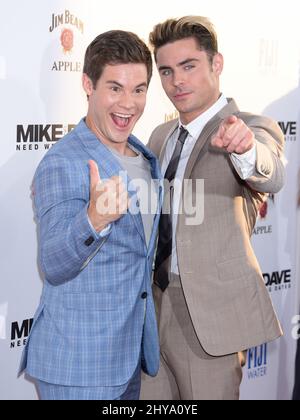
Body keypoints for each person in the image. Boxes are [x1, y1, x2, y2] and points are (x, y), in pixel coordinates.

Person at [140, 16, 285, 400]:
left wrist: (246, 149)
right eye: (167, 71)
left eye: (189, 67)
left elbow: (270, 173)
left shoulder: (250, 126)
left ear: (216, 64)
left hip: (209, 321)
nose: (177, 82)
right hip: (151, 314)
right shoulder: (160, 135)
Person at [19, 30, 163, 400]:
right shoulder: (63, 163)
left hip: (127, 359)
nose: (128, 104)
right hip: (78, 367)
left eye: (139, 89)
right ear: (88, 84)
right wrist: (93, 220)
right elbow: (52, 262)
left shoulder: (144, 157)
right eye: (115, 88)